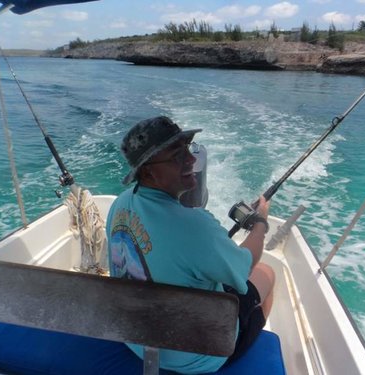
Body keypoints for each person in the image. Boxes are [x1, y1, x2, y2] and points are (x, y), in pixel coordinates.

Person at [106, 116, 275, 374]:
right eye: (177, 155)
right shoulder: (196, 226)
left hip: (135, 339)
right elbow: (246, 265)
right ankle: (251, 340)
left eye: (189, 148)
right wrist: (261, 223)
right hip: (196, 358)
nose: (192, 159)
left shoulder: (120, 204)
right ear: (149, 170)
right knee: (267, 274)